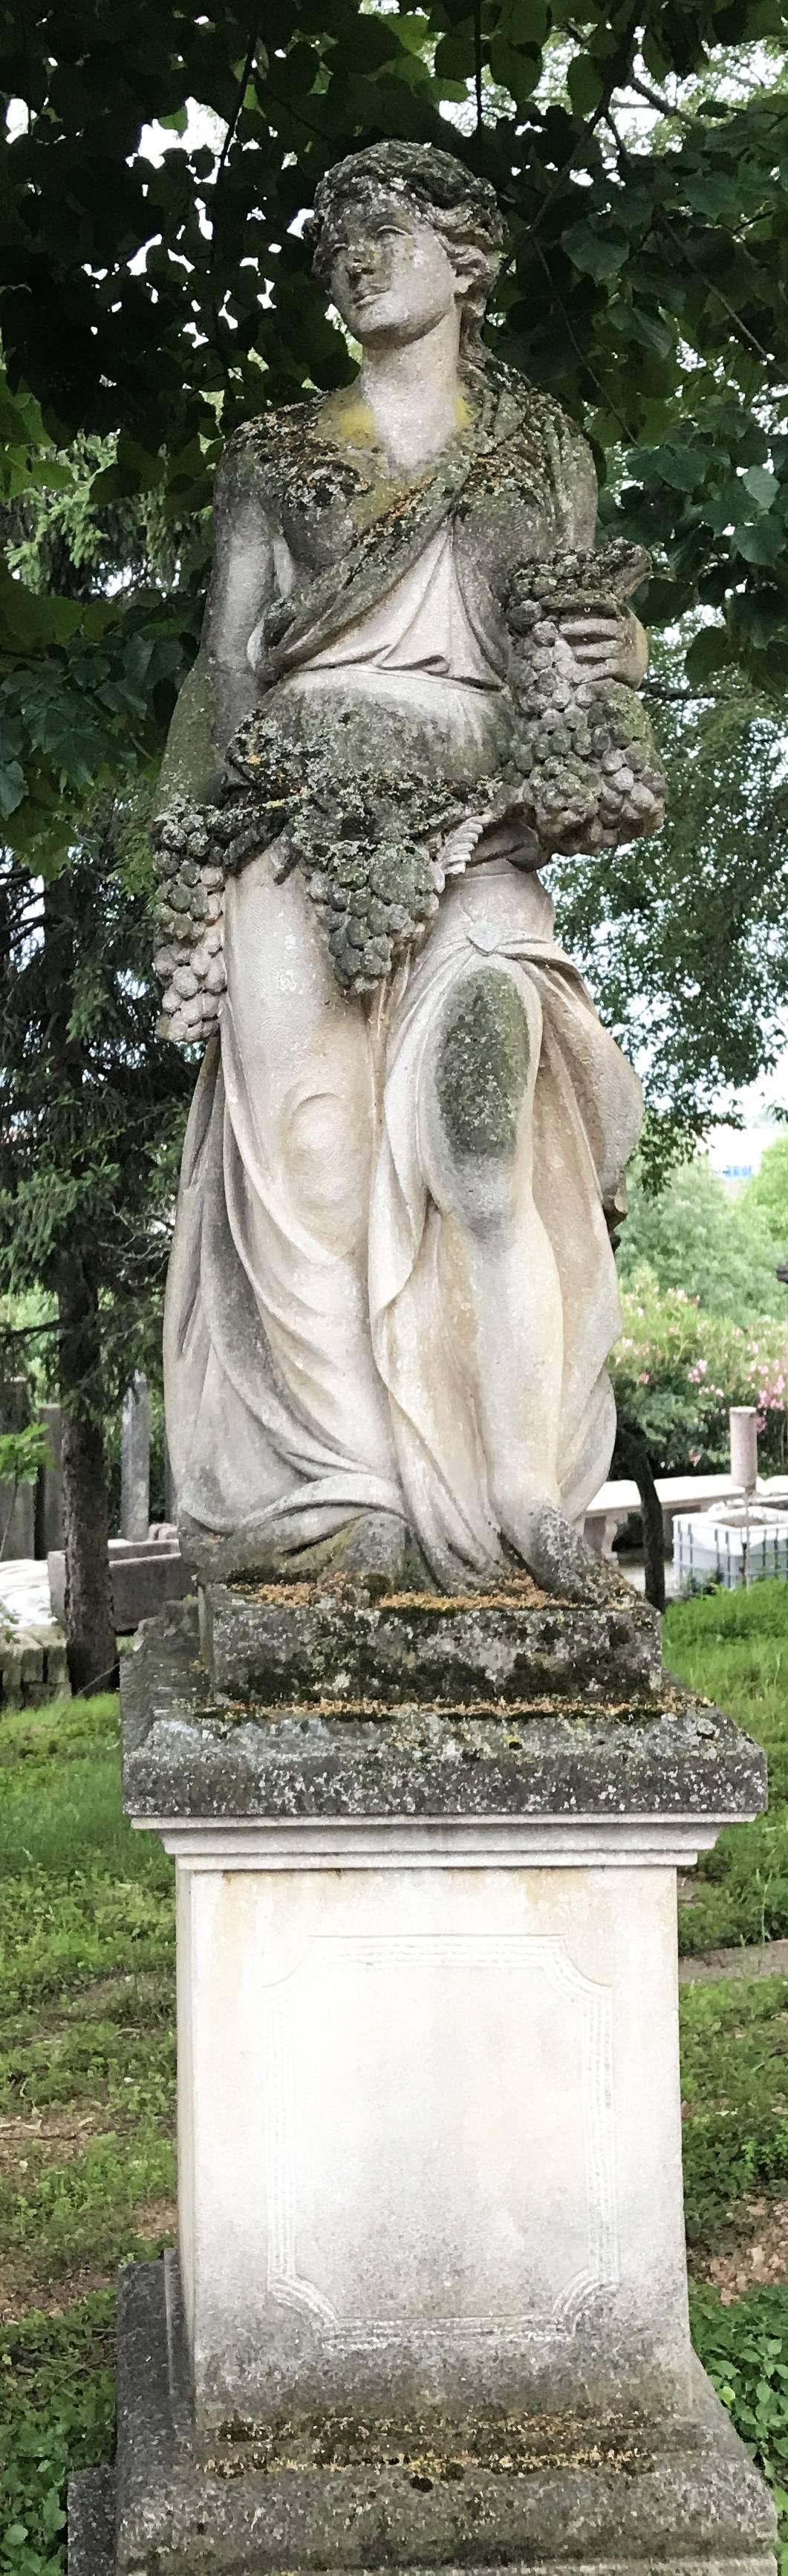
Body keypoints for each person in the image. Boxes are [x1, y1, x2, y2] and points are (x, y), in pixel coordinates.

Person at [156, 140, 650, 1595]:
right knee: (311, 1164)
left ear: (468, 255)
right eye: (338, 240)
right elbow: (225, 664)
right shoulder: (277, 453)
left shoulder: (542, 441)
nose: (357, 256)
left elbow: (576, 654)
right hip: (292, 833)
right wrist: (195, 855)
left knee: (482, 1141)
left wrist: (623, 668)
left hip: (483, 823)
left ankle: (519, 1506)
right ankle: (346, 1505)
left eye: (387, 229)